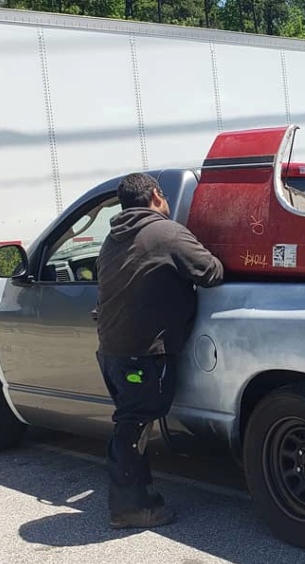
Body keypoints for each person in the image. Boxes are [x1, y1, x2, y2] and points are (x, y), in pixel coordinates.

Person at [95, 172, 224, 529]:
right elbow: (211, 272)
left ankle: (135, 498)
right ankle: (131, 508)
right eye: (162, 197)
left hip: (112, 352)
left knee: (130, 420)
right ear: (155, 195)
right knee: (132, 426)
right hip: (143, 354)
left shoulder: (112, 239)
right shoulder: (166, 232)